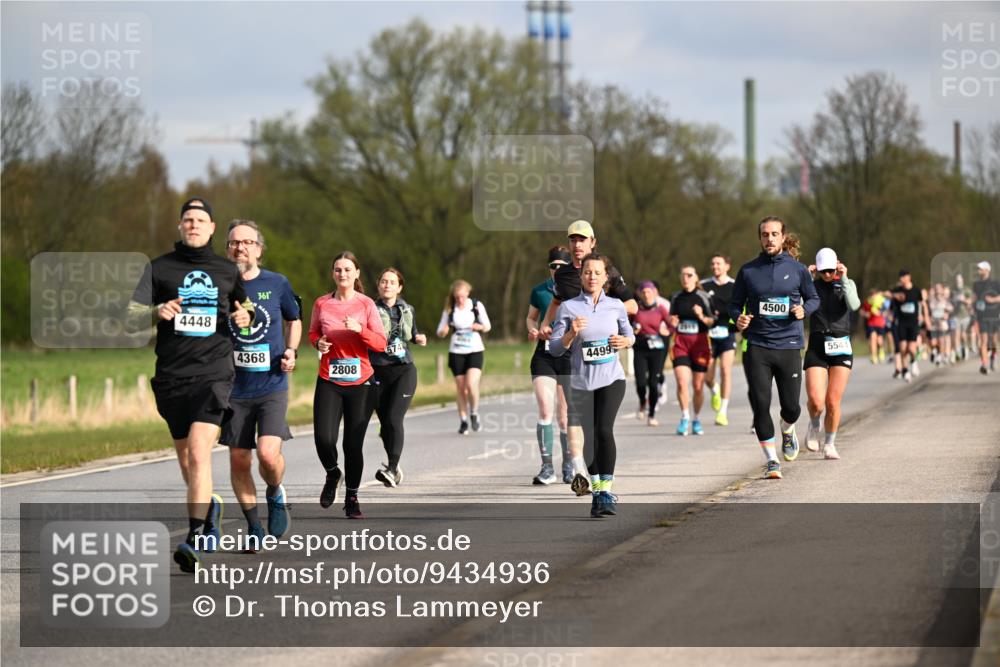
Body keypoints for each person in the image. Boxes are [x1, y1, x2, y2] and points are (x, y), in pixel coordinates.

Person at [127, 197, 252, 572]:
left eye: (200, 220)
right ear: (180, 226)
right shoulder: (158, 268)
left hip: (214, 374)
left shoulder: (226, 271)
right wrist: (156, 312)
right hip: (171, 377)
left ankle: (194, 538)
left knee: (199, 454)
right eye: (188, 219)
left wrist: (244, 318)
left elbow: (243, 309)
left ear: (212, 228)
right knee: (187, 462)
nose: (194, 224)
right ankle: (209, 507)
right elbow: (130, 317)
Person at [539, 220, 638, 495]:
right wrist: (556, 328)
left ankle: (604, 489)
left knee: (603, 429)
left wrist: (619, 334)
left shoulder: (610, 284)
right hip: (577, 365)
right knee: (582, 427)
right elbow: (556, 307)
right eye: (573, 239)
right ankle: (584, 475)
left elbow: (630, 310)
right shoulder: (563, 280)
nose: (577, 244)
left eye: (582, 239)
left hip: (609, 372)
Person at [220, 220, 300, 546]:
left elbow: (294, 319)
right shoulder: (218, 286)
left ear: (259, 249)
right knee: (240, 460)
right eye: (234, 243)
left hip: (271, 384)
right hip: (233, 389)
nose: (240, 248)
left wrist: (292, 351)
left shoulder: (277, 283)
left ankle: (275, 491)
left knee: (268, 455)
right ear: (227, 249)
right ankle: (254, 528)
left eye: (247, 242)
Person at [730, 216, 819, 480]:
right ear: (760, 238)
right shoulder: (748, 271)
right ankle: (771, 460)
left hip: (789, 345)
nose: (769, 239)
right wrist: (738, 318)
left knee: (791, 407)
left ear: (783, 237)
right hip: (758, 345)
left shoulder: (798, 270)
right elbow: (734, 305)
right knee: (761, 404)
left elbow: (814, 298)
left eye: (774, 234)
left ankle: (787, 427)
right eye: (765, 234)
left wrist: (804, 310)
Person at [309, 252, 387, 519]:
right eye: (338, 270)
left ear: (356, 273)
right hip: (329, 379)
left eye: (347, 269)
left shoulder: (366, 304)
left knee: (352, 445)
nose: (342, 274)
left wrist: (360, 330)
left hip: (361, 383)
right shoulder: (322, 303)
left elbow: (381, 343)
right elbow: (313, 332)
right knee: (323, 439)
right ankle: (333, 473)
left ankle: (352, 497)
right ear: (333, 273)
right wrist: (317, 343)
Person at [370, 268, 427, 487]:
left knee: (394, 418)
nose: (387, 285)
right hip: (377, 371)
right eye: (384, 281)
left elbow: (412, 333)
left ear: (399, 287)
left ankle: (392, 468)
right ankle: (393, 465)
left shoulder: (407, 309)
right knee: (385, 423)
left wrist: (418, 338)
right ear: (378, 285)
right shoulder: (369, 308)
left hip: (404, 370)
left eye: (392, 282)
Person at [803, 248, 860, 460]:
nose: (827, 274)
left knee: (833, 401)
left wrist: (844, 278)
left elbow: (854, 304)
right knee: (816, 401)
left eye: (831, 270)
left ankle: (829, 443)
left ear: (837, 267)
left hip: (840, 344)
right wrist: (807, 279)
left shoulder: (846, 283)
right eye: (823, 271)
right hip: (817, 344)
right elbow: (800, 306)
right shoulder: (811, 285)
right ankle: (814, 424)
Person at [526, 247, 574, 484]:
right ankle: (547, 468)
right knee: (545, 410)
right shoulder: (539, 291)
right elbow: (531, 317)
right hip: (544, 355)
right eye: (553, 266)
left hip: (568, 355)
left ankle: (568, 464)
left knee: (564, 417)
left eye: (561, 266)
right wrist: (533, 330)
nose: (556, 270)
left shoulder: (577, 290)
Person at [436, 280, 491, 433]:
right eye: (457, 297)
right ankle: (463, 421)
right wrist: (443, 331)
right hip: (456, 351)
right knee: (461, 388)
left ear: (468, 293)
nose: (460, 299)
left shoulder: (476, 305)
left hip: (475, 349)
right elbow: (440, 331)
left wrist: (479, 326)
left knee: (471, 385)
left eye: (462, 296)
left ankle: (474, 413)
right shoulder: (450, 308)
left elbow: (487, 326)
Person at [668, 267, 715, 436]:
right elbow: (671, 319)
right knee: (682, 382)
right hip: (681, 343)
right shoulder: (675, 297)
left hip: (700, 344)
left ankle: (696, 418)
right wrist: (672, 322)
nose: (686, 278)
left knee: (698, 386)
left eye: (689, 275)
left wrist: (701, 316)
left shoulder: (704, 297)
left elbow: (712, 321)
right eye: (683, 275)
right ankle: (685, 417)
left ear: (696, 278)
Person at [701, 253, 737, 426]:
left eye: (719, 263)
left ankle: (723, 411)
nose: (715, 266)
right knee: (707, 377)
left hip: (727, 334)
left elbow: (738, 308)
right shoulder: (704, 285)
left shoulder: (735, 286)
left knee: (725, 370)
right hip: (709, 335)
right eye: (713, 263)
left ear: (727, 266)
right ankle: (714, 389)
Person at [630, 280, 671, 427]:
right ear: (640, 294)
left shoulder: (660, 309)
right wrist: (633, 329)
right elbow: (625, 325)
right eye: (644, 292)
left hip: (656, 349)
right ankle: (642, 402)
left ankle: (652, 414)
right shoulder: (636, 309)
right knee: (641, 382)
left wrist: (667, 331)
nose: (647, 294)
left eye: (649, 291)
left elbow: (672, 325)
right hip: (640, 348)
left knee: (653, 384)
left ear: (654, 293)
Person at [890, 270, 924, 382]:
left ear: (909, 277)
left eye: (903, 276)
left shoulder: (916, 290)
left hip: (913, 323)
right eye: (900, 277)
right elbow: (888, 294)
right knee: (903, 349)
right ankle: (905, 370)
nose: (901, 279)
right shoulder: (898, 290)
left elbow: (921, 304)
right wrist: (894, 295)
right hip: (902, 323)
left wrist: (922, 316)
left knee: (911, 349)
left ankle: (913, 362)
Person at [973, 261, 1000, 375]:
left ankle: (993, 358)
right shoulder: (976, 284)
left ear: (987, 270)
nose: (979, 270)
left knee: (993, 341)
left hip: (994, 315)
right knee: (983, 340)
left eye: (981, 268)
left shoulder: (996, 283)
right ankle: (984, 364)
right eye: (978, 269)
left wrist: (993, 300)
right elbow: (975, 298)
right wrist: (972, 306)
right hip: (982, 316)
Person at [927, 283, 953, 366]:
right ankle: (935, 351)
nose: (937, 290)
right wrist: (928, 319)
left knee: (941, 341)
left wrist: (946, 313)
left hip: (942, 323)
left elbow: (951, 308)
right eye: (936, 288)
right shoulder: (931, 300)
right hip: (933, 324)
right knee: (933, 342)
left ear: (942, 290)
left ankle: (940, 356)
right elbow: (927, 311)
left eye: (939, 288)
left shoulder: (945, 300)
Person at [950, 273, 974, 362]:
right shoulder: (953, 291)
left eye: (959, 280)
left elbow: (971, 301)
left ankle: (965, 348)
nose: (958, 281)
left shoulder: (967, 290)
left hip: (965, 315)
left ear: (962, 280)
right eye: (956, 280)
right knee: (956, 333)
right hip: (955, 315)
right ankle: (958, 352)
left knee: (963, 334)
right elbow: (949, 301)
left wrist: (964, 299)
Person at [861, 288, 888, 365]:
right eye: (872, 295)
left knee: (879, 341)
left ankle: (881, 350)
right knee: (873, 339)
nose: (873, 296)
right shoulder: (867, 302)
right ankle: (874, 356)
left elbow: (886, 310)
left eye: (874, 295)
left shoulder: (882, 302)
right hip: (871, 323)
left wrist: (882, 312)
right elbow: (862, 311)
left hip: (880, 323)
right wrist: (865, 314)